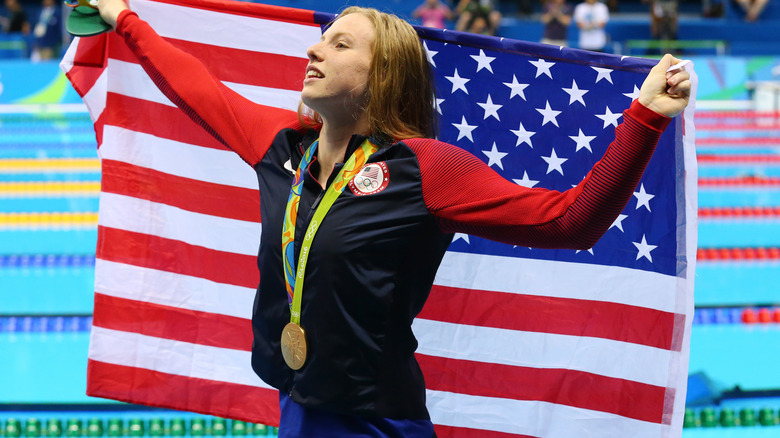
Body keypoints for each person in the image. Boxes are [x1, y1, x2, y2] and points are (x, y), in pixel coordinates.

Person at [96, 0, 691, 435]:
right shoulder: (282, 149)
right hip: (295, 406)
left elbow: (570, 222)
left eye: (339, 44)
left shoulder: (426, 168)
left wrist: (644, 118)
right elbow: (194, 87)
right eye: (322, 39)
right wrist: (126, 18)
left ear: (381, 77)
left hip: (378, 423)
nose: (313, 48)